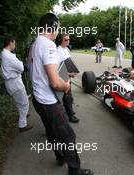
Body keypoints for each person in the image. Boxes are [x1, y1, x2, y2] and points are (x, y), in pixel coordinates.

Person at [28, 13, 93, 175]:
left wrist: (63, 74)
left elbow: (41, 72)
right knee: (68, 136)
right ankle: (74, 170)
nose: (58, 31)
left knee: (51, 131)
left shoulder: (34, 43)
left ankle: (60, 156)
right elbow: (55, 83)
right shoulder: (49, 45)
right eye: (58, 27)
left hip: (38, 100)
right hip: (50, 102)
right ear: (52, 26)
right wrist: (66, 86)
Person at [0, 36, 33, 132]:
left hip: (10, 83)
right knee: (24, 103)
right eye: (14, 43)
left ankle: (23, 114)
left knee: (19, 102)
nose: (15, 45)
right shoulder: (9, 56)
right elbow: (21, 68)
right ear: (10, 43)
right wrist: (24, 63)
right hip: (15, 82)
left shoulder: (3, 54)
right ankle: (22, 125)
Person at [57, 33, 79, 123]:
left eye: (69, 39)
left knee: (68, 97)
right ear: (60, 40)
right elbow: (57, 69)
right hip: (62, 77)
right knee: (66, 97)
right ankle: (69, 116)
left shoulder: (66, 49)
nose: (68, 41)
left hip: (68, 76)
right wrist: (69, 73)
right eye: (66, 40)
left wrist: (73, 71)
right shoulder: (57, 51)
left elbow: (70, 61)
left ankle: (69, 112)